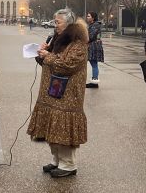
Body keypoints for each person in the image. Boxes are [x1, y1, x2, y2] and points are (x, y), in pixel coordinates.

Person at [27, 9, 89, 178]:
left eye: (58, 22)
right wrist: (41, 54)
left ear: (68, 24)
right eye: (54, 22)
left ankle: (68, 164)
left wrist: (48, 56)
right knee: (53, 128)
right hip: (53, 91)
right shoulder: (58, 39)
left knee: (63, 128)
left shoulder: (78, 43)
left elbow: (67, 65)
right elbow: (50, 63)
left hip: (68, 93)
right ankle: (57, 160)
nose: (55, 25)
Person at [85, 12, 104, 88]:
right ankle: (94, 81)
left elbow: (91, 37)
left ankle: (94, 82)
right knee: (94, 64)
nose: (87, 17)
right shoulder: (94, 25)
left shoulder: (95, 25)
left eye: (88, 16)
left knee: (94, 63)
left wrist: (85, 41)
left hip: (94, 46)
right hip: (94, 45)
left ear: (93, 18)